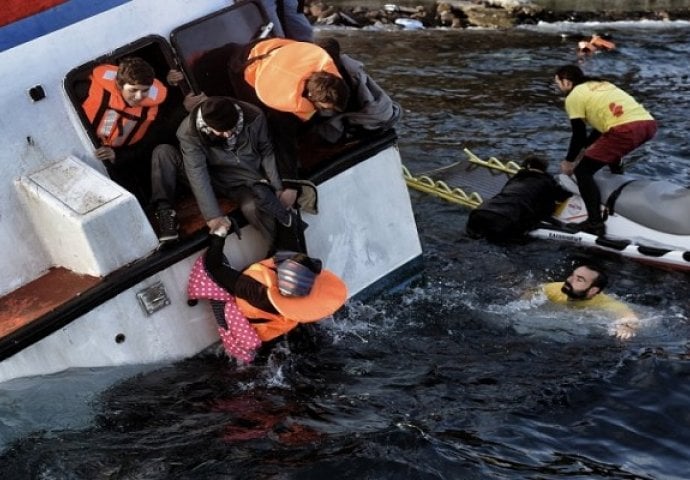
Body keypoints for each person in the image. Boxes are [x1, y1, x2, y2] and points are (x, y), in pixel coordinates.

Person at [164, 96, 302, 253]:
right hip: (219, 180)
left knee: (260, 203)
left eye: (233, 128)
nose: (229, 134)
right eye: (222, 131)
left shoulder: (254, 115)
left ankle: (287, 251)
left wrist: (278, 186)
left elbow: (267, 151)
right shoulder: (188, 132)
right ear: (208, 126)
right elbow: (197, 173)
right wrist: (213, 215)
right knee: (254, 205)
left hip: (251, 177)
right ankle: (287, 252)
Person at [187, 228, 348, 363]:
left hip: (272, 343)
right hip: (291, 332)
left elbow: (214, 267)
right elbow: (286, 232)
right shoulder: (265, 287)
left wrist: (219, 236)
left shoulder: (254, 289)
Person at [554, 65, 657, 236]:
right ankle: (616, 176)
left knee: (583, 171)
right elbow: (601, 126)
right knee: (608, 148)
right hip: (648, 124)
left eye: (557, 83)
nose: (557, 87)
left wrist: (569, 161)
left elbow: (578, 134)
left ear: (566, 82)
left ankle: (594, 223)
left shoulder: (573, 97)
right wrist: (586, 149)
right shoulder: (602, 84)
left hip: (625, 129)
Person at [81, 57, 169, 206]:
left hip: (125, 162)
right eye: (133, 90)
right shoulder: (87, 91)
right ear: (120, 85)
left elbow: (147, 145)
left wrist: (117, 155)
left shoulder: (151, 109)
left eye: (145, 91)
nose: (139, 97)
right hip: (88, 158)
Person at [311, 37, 402, 144]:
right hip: (373, 115)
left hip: (363, 120)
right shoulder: (349, 69)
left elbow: (337, 108)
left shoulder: (343, 79)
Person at [466, 156, 572, 243]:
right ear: (544, 169)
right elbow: (562, 197)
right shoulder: (547, 181)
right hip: (507, 219)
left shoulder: (515, 179)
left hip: (481, 211)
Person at [536, 264, 639, 340]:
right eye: (572, 275)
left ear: (592, 290)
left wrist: (626, 327)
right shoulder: (553, 288)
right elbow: (530, 293)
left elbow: (629, 317)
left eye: (579, 280)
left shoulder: (605, 304)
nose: (569, 280)